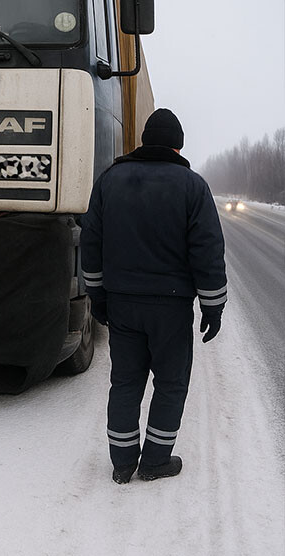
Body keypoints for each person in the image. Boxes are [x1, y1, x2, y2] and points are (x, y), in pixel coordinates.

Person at [81, 108, 226, 484]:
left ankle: (122, 463)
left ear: (144, 142)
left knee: (125, 382)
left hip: (123, 304)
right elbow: (207, 251)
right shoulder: (192, 186)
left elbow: (91, 243)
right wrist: (213, 306)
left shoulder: (110, 180)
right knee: (171, 383)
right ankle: (155, 461)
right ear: (177, 147)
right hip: (171, 308)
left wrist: (97, 295)